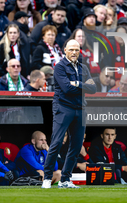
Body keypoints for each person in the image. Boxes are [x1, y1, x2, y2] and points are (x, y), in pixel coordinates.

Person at [42, 39, 96, 189]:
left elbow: (94, 88)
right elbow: (66, 88)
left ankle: (65, 179)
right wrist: (83, 86)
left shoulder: (83, 68)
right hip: (63, 107)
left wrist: (77, 84)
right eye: (71, 49)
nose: (74, 52)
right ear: (65, 50)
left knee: (77, 145)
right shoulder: (59, 67)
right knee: (57, 142)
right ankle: (47, 178)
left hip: (80, 108)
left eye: (77, 50)